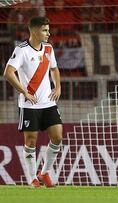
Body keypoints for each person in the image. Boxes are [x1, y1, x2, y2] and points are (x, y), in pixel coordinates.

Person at [3, 16, 62, 188]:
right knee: (30, 141)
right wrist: (24, 92)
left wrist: (57, 86)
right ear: (34, 30)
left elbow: (54, 69)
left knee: (57, 137)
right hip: (29, 104)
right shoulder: (21, 50)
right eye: (45, 30)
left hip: (48, 103)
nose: (48, 33)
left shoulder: (49, 49)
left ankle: (44, 173)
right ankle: (31, 179)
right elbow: (8, 72)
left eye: (48, 29)